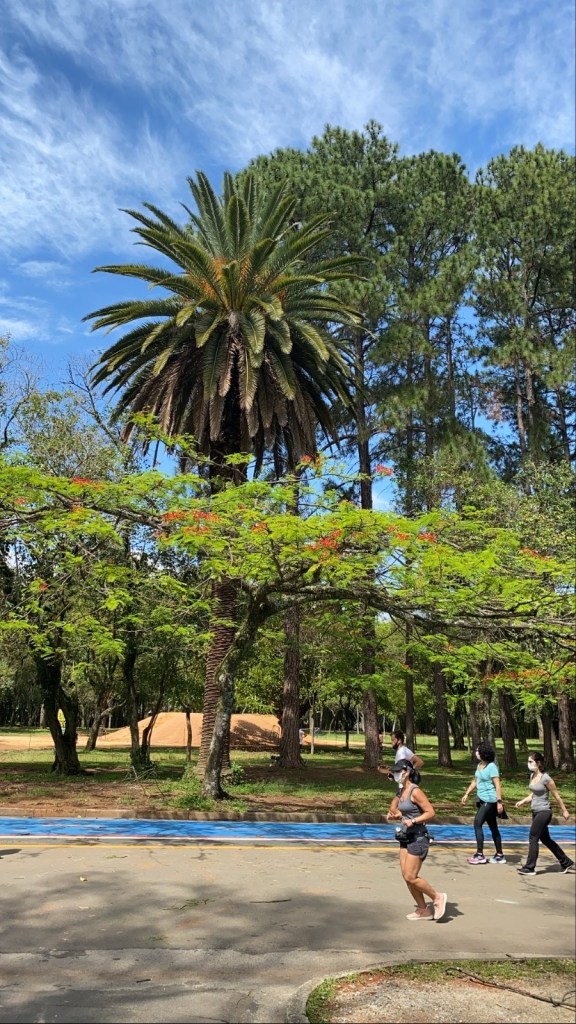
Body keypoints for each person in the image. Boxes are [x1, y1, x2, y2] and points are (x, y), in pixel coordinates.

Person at [386, 758, 448, 922]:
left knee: (411, 876)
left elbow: (430, 812)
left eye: (398, 771)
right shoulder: (401, 790)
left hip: (418, 837)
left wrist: (413, 821)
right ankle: (423, 909)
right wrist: (395, 815)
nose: (395, 774)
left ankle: (437, 897)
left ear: (406, 772)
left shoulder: (415, 791)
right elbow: (398, 809)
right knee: (406, 876)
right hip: (405, 836)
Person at [515, 751, 574, 875]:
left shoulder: (546, 778)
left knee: (533, 837)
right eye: (528, 761)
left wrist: (564, 810)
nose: (528, 764)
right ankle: (566, 862)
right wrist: (523, 801)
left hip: (544, 812)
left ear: (538, 763)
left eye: (530, 761)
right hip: (535, 811)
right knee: (546, 839)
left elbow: (556, 796)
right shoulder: (532, 776)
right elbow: (534, 794)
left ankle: (529, 867)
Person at [461, 740, 506, 864]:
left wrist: (499, 802)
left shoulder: (492, 767)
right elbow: (475, 781)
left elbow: (497, 785)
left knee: (477, 823)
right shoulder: (480, 765)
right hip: (481, 800)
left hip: (490, 800)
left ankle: (479, 854)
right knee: (493, 827)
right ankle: (500, 854)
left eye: (478, 750)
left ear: (483, 752)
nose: (476, 752)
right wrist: (466, 794)